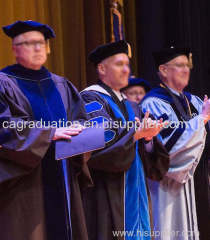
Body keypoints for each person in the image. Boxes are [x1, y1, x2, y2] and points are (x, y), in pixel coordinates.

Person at [0, 20, 103, 240]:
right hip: (24, 186)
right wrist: (48, 134)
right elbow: (4, 127)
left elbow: (80, 120)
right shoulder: (4, 83)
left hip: (62, 178)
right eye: (29, 43)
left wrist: (82, 131)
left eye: (41, 43)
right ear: (14, 49)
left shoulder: (61, 85)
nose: (37, 48)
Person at [80, 40, 169, 240]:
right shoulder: (91, 100)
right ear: (102, 68)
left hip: (135, 191)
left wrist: (148, 138)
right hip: (106, 193)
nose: (126, 70)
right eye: (119, 64)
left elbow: (151, 160)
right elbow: (97, 151)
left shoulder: (132, 106)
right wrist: (135, 135)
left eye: (127, 65)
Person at [141, 46, 210, 240]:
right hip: (168, 187)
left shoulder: (194, 101)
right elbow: (166, 148)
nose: (186, 70)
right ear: (163, 70)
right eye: (180, 65)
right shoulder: (153, 103)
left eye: (187, 66)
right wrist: (202, 119)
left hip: (197, 181)